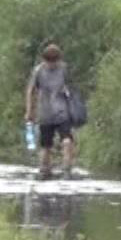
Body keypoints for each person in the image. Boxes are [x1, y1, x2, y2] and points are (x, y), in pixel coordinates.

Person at [25, 43, 75, 180]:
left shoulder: (64, 70)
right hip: (45, 114)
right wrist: (29, 111)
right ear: (44, 59)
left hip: (62, 112)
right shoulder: (38, 71)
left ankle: (67, 171)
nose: (51, 64)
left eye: (54, 61)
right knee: (46, 146)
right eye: (49, 61)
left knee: (67, 141)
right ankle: (45, 171)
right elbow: (31, 91)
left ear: (59, 59)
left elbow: (71, 88)